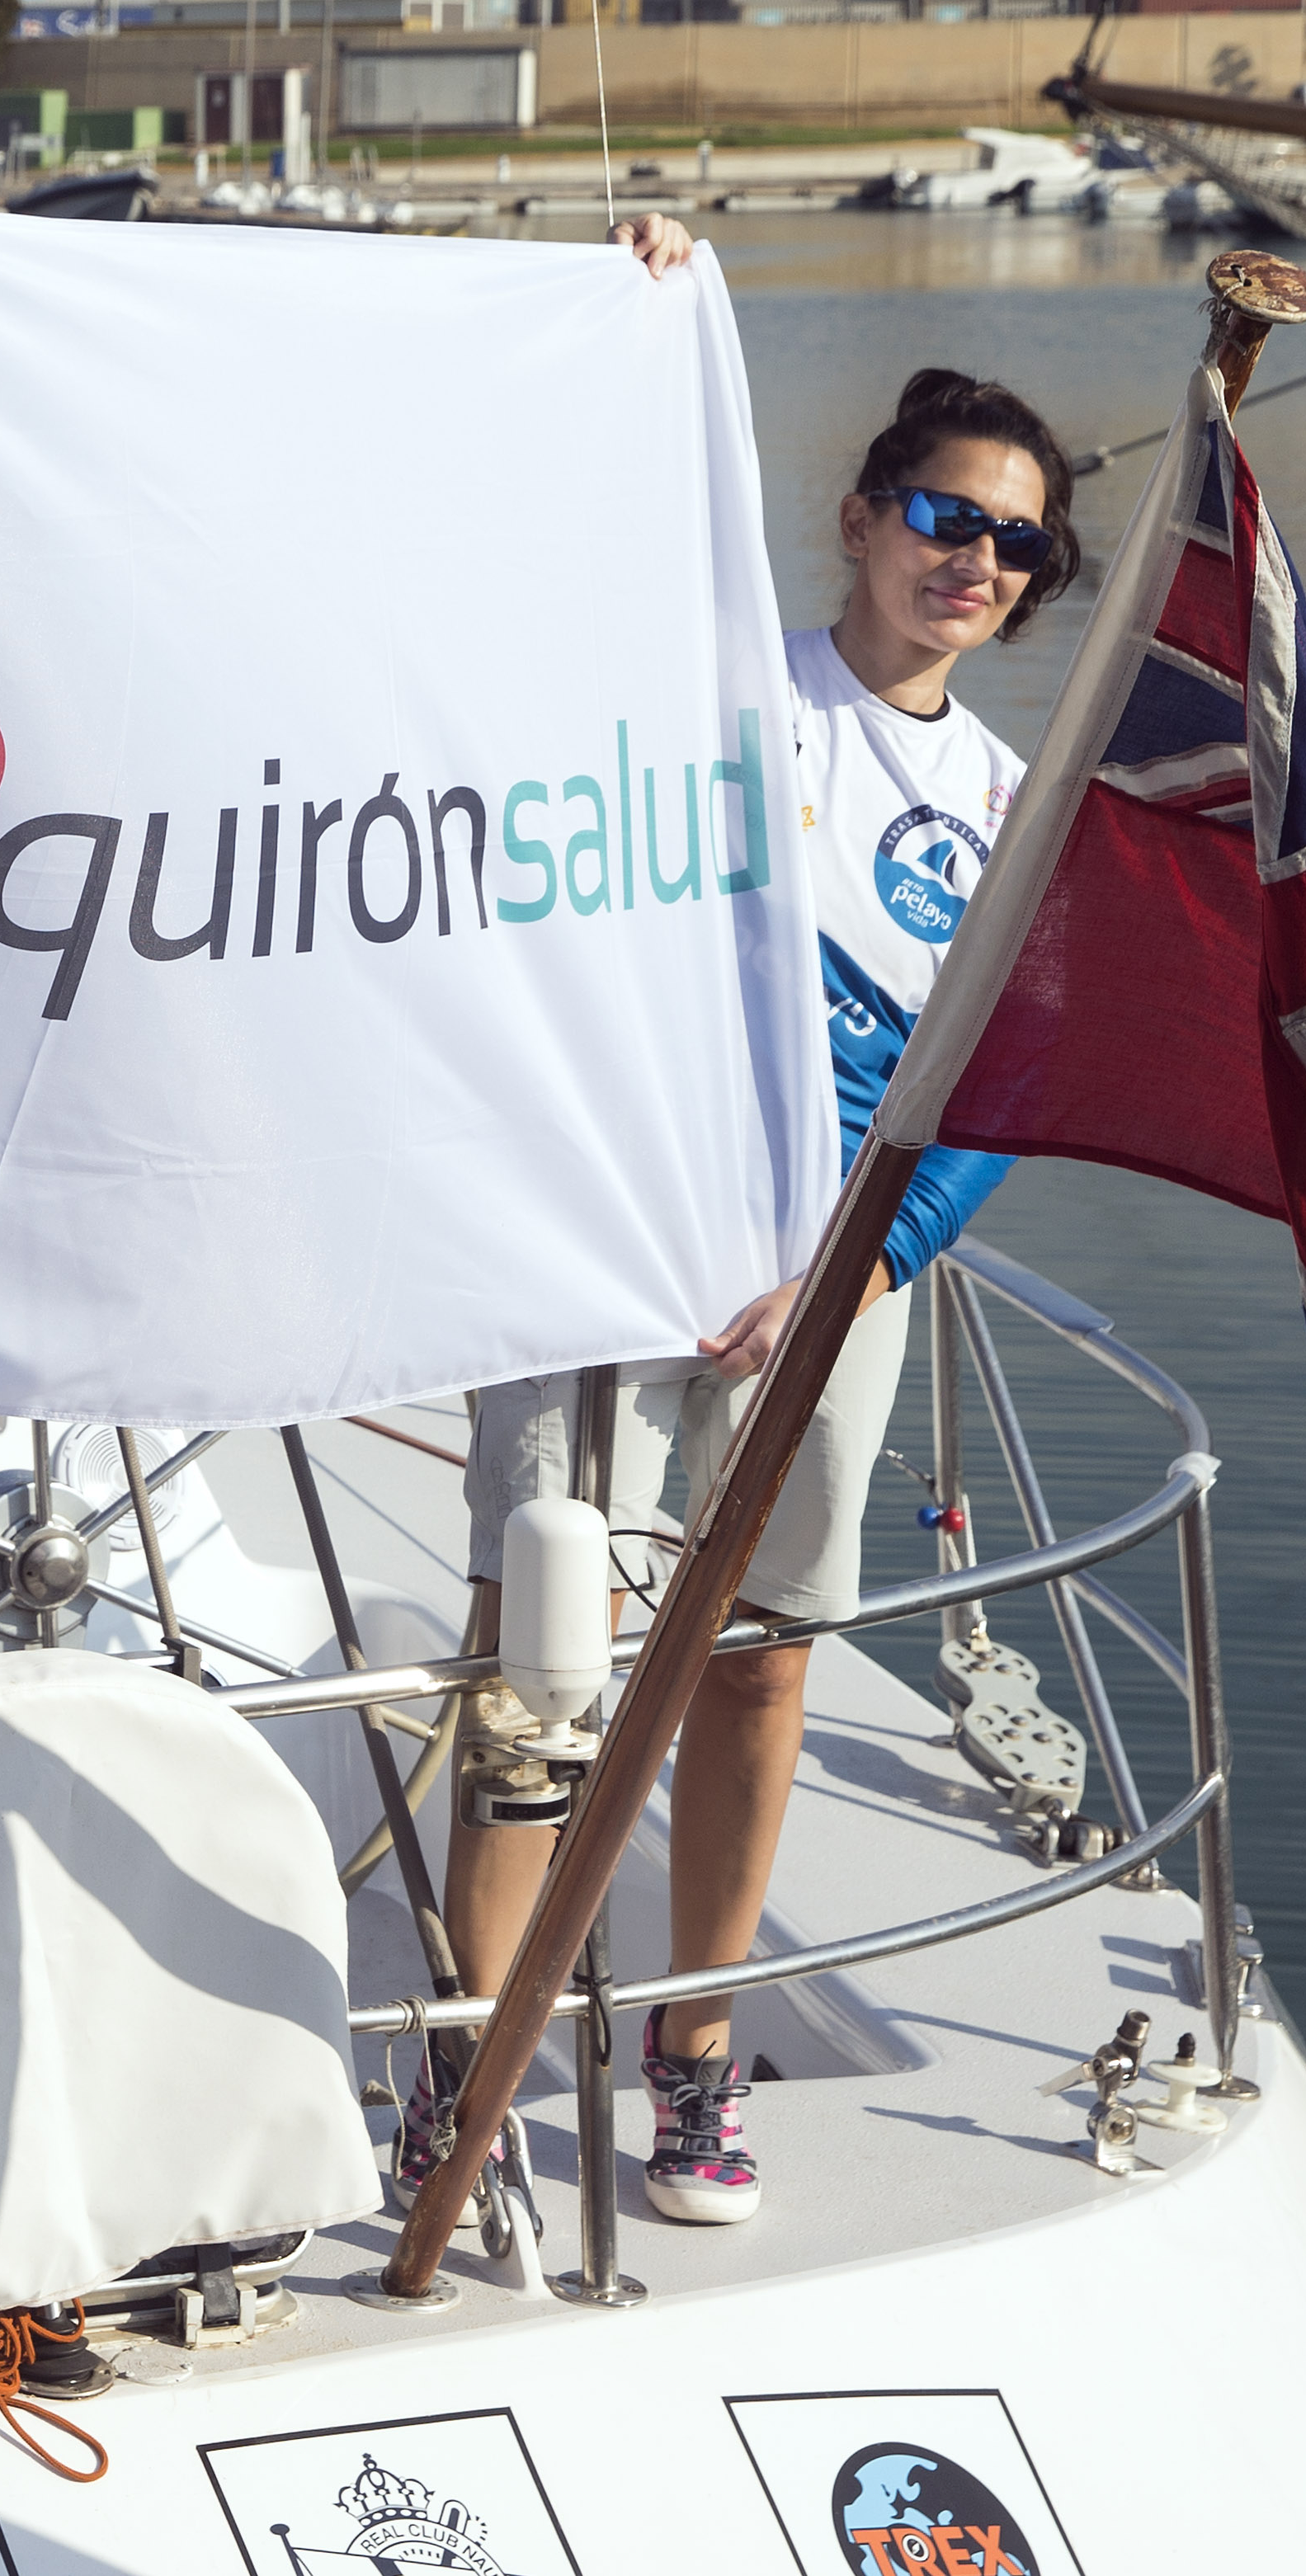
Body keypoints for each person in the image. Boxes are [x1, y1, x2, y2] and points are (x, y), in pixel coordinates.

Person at [433, 363, 1082, 2228]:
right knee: (535, 1653)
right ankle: (466, 2056)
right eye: (946, 516)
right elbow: (570, 550)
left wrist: (861, 1260)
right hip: (618, 1244)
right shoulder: (715, 697)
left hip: (831, 1285)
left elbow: (1005, 1094)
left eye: (1016, 543)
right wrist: (628, 315)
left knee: (761, 1662)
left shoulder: (1015, 814)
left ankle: (695, 2059)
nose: (975, 559)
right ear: (865, 514)